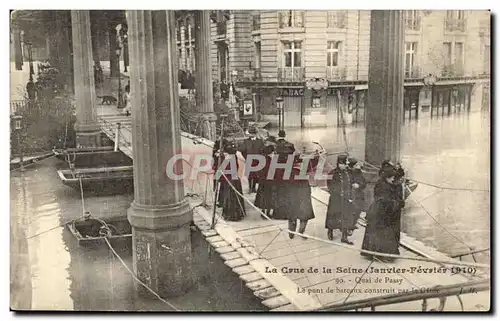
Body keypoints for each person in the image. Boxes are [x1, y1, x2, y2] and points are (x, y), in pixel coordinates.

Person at [361, 166, 404, 261]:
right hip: (380, 213)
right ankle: (382, 254)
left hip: (381, 212)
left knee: (378, 233)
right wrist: (396, 203)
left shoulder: (385, 184)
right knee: (382, 233)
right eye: (392, 177)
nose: (393, 179)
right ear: (387, 177)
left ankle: (376, 253)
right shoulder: (382, 185)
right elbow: (384, 200)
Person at [325, 155, 354, 244]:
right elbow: (330, 185)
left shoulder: (347, 173)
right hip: (336, 199)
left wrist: (350, 196)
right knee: (333, 216)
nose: (345, 166)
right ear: (339, 164)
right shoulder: (332, 173)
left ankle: (344, 237)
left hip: (345, 198)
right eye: (344, 164)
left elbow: (349, 185)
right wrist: (337, 193)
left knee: (346, 216)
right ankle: (330, 231)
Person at [286, 159, 315, 239]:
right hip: (303, 198)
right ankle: (301, 232)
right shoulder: (303, 173)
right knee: (304, 217)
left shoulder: (289, 172)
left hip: (292, 198)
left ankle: (291, 233)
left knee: (292, 216)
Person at [218, 141, 246, 221]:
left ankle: (231, 215)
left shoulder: (227, 159)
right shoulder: (234, 157)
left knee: (230, 198)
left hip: (229, 182)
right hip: (235, 180)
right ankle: (237, 214)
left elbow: (219, 175)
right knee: (235, 198)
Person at [239, 126, 266, 193]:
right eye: (250, 133)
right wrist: (246, 157)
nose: (251, 135)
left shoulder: (260, 141)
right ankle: (250, 188)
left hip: (258, 161)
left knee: (257, 175)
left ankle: (254, 187)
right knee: (250, 175)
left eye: (253, 133)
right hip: (249, 160)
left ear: (255, 134)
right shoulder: (246, 141)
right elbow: (242, 150)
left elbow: (263, 150)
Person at [254, 144, 277, 219]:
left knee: (263, 197)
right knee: (269, 198)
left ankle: (263, 212)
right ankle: (267, 213)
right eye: (273, 153)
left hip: (262, 181)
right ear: (270, 153)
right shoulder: (271, 160)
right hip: (269, 182)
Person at [348, 157, 367, 234]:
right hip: (352, 194)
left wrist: (359, 185)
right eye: (356, 165)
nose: (358, 165)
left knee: (358, 210)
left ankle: (353, 224)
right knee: (352, 211)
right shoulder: (349, 173)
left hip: (359, 194)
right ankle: (349, 227)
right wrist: (352, 185)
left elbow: (364, 183)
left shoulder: (359, 173)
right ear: (353, 166)